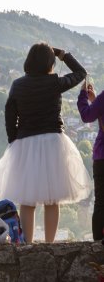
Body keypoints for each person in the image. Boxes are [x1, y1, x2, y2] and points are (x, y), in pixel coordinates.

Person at [0, 43, 91, 243]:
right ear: (50, 62)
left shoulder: (18, 85)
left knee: (27, 200)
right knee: (52, 199)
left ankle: (28, 243)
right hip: (53, 142)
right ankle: (49, 244)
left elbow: (10, 116)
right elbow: (81, 73)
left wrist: (14, 142)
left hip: (26, 142)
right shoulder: (54, 82)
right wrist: (63, 55)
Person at [77, 81, 104, 241]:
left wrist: (82, 95)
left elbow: (87, 116)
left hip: (102, 157)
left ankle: (97, 246)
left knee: (101, 202)